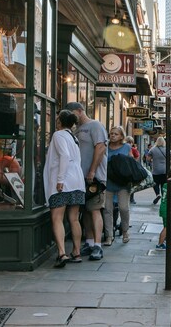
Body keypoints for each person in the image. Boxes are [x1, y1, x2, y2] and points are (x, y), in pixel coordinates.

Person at [45, 110, 86, 267]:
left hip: (63, 181)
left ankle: (62, 253)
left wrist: (60, 179)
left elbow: (64, 156)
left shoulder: (58, 135)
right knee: (74, 218)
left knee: (57, 217)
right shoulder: (73, 137)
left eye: (57, 120)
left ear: (60, 122)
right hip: (77, 181)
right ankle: (76, 252)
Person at [67, 102, 107, 261]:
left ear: (79, 111)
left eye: (71, 113)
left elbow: (100, 147)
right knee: (85, 210)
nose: (70, 117)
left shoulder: (95, 125)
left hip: (94, 177)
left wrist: (92, 170)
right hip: (79, 177)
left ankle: (98, 245)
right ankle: (89, 242)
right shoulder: (76, 130)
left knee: (95, 209)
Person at [102, 126, 133, 245]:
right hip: (108, 182)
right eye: (111, 133)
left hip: (123, 183)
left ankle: (125, 231)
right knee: (107, 209)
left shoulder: (126, 147)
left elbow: (131, 163)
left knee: (124, 208)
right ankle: (109, 236)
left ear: (121, 136)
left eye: (116, 134)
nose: (113, 136)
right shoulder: (105, 146)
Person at [149, 137, 168, 205]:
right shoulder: (167, 149)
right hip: (165, 170)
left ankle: (157, 194)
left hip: (156, 170)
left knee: (155, 183)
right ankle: (163, 198)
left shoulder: (152, 149)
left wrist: (152, 160)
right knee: (163, 184)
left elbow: (148, 158)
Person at [127, 136, 140, 204]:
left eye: (130, 142)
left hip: (131, 169)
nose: (129, 143)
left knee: (131, 184)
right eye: (128, 142)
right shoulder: (125, 149)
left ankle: (131, 198)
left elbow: (137, 157)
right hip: (128, 169)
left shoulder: (133, 150)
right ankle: (130, 198)